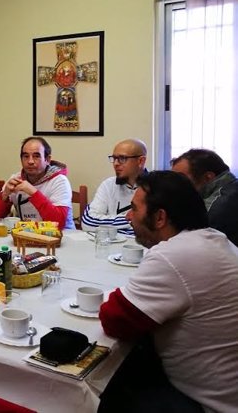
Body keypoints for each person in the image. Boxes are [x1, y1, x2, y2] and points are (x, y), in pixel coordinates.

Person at [99, 171, 238, 412]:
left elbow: (114, 321)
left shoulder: (173, 256)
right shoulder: (214, 238)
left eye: (134, 209)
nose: (129, 217)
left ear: (160, 217)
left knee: (104, 387)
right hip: (225, 387)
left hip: (206, 402)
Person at [0, 136, 75, 229]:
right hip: (27, 236)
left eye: (36, 156)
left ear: (47, 159)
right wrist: (4, 196)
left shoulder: (60, 181)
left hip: (62, 237)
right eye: (26, 156)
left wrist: (33, 192)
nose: (30, 161)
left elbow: (58, 223)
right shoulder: (15, 179)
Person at [171, 148, 238, 247]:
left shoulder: (217, 205)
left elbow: (192, 245)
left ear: (208, 177)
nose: (175, 185)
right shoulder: (231, 188)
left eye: (181, 179)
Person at [81, 139, 147, 236]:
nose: (116, 163)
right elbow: (88, 222)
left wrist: (106, 225)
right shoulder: (108, 185)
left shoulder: (156, 186)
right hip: (111, 245)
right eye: (114, 158)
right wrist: (130, 220)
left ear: (140, 161)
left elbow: (154, 227)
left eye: (122, 158)